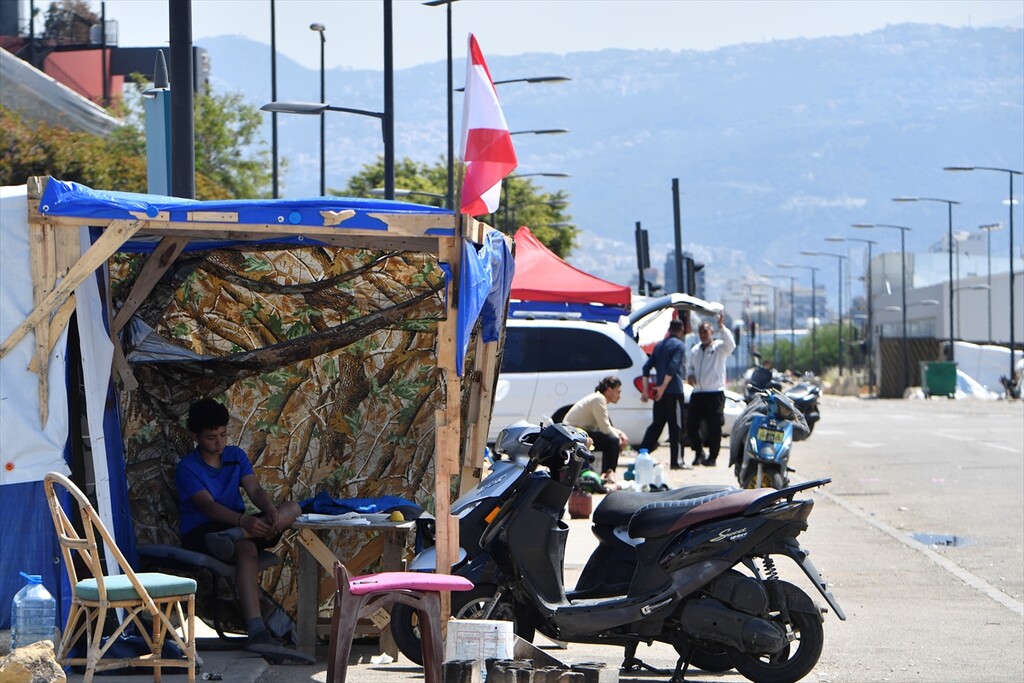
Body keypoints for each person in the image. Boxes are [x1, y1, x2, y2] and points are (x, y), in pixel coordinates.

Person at [176, 398, 302, 650]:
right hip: (204, 530)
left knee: (293, 508)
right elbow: (208, 506)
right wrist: (243, 521)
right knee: (247, 548)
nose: (219, 443)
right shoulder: (187, 468)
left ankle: (236, 535)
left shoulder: (235, 456)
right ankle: (256, 629)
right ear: (195, 436)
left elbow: (254, 489)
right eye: (211, 437)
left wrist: (270, 511)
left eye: (223, 435)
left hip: (240, 527)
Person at [685, 311, 736, 466]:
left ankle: (713, 457)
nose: (703, 335)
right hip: (698, 393)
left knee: (714, 426)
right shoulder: (695, 350)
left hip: (715, 393)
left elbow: (731, 344)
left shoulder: (719, 348)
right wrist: (690, 374)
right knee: (691, 425)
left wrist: (722, 326)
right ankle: (699, 452)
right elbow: (690, 366)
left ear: (711, 332)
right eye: (701, 332)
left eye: (705, 332)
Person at [639, 318, 689, 469]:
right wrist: (663, 387)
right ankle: (676, 461)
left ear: (669, 329)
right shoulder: (679, 346)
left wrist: (645, 391)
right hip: (673, 392)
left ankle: (642, 455)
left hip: (659, 395)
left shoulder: (659, 346)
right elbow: (673, 367)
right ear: (681, 330)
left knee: (656, 425)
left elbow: (646, 367)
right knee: (676, 427)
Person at [563, 376, 630, 476]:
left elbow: (605, 425)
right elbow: (605, 428)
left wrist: (620, 433)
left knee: (612, 439)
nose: (620, 396)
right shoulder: (599, 399)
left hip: (577, 432)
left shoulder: (598, 398)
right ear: (609, 390)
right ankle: (608, 475)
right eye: (618, 391)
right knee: (612, 441)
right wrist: (619, 438)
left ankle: (606, 473)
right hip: (574, 434)